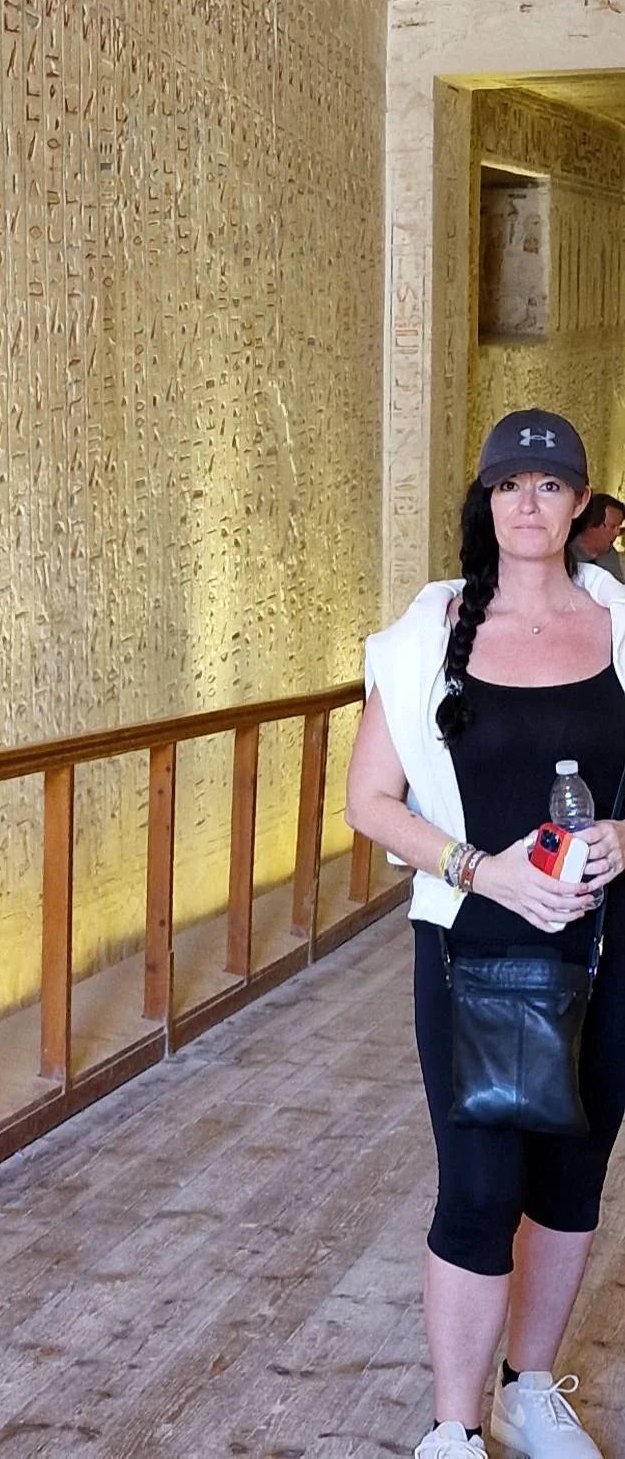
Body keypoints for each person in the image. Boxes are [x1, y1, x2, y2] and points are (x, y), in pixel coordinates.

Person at [346, 407, 625, 1459]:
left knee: (572, 1170)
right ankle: (454, 1429)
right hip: (474, 945)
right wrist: (482, 869)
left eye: (550, 486)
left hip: (605, 945)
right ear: (486, 500)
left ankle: (526, 1393)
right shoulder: (431, 636)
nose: (528, 501)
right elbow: (371, 799)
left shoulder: (622, 627)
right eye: (510, 483)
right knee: (478, 1181)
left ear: (580, 506)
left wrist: (624, 838)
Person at [571, 492, 625, 582]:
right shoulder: (564, 551)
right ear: (592, 525)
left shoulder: (611, 556)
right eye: (612, 526)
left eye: (618, 526)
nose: (618, 532)